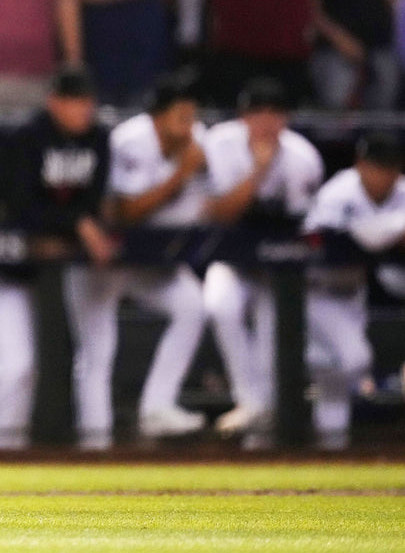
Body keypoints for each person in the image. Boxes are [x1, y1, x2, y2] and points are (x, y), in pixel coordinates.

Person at [67, 71, 209, 449]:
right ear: (158, 116)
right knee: (98, 351)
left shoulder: (198, 140)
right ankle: (94, 441)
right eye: (181, 116)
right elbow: (126, 211)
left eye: (192, 115)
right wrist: (182, 173)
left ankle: (157, 407)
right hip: (102, 257)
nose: (190, 125)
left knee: (192, 305)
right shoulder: (130, 140)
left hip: (149, 259)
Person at [201, 77, 324, 444]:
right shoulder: (220, 144)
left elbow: (305, 228)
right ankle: (251, 402)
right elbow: (219, 213)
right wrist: (258, 172)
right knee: (220, 306)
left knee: (273, 335)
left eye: (275, 112)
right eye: (258, 112)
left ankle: (267, 416)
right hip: (230, 258)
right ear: (243, 116)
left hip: (280, 269)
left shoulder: (303, 157)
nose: (267, 121)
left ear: (287, 118)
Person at [12, 65, 113, 443]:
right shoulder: (29, 137)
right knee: (18, 363)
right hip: (10, 265)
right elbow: (21, 205)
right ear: (54, 102)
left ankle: (92, 439)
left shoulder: (99, 138)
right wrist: (77, 224)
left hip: (72, 261)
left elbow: (94, 199)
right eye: (74, 101)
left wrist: (76, 226)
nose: (83, 109)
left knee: (79, 353)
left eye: (87, 101)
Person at [301, 133, 405, 449]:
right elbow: (326, 238)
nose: (383, 174)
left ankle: (331, 442)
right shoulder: (339, 193)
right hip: (317, 291)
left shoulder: (401, 192)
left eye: (390, 167)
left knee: (332, 369)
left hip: (353, 292)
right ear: (361, 165)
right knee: (354, 358)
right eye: (377, 166)